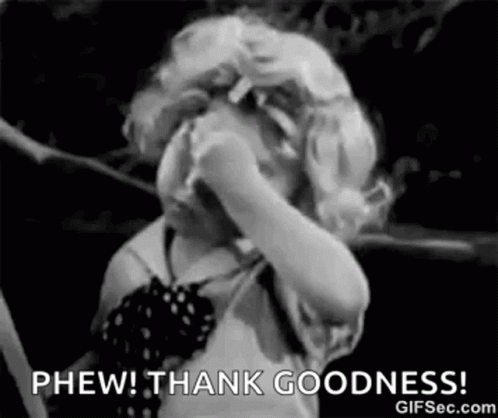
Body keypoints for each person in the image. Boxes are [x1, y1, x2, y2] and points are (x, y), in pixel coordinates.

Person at [57, 12, 391, 418]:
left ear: (301, 196)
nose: (197, 182)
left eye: (252, 169)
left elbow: (347, 297)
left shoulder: (283, 273)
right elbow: (114, 358)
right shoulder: (132, 263)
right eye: (193, 146)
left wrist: (241, 190)